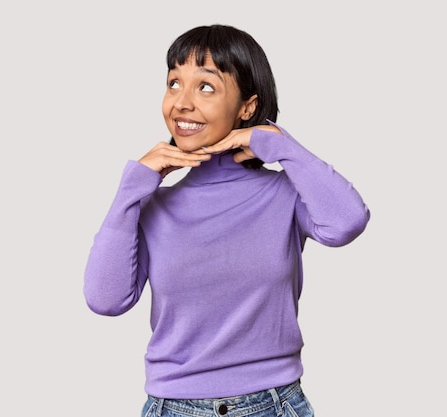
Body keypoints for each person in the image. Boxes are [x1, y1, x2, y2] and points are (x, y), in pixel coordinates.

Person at [83, 24, 370, 417]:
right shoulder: (151, 206)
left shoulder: (285, 194)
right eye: (173, 83)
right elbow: (106, 300)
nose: (181, 102)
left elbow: (348, 223)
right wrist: (131, 188)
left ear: (247, 107)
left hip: (273, 403)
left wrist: (280, 145)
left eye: (205, 87)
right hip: (173, 407)